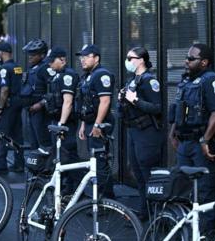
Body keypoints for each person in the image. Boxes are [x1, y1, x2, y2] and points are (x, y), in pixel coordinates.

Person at [168, 43, 215, 234]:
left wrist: (205, 140)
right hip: (185, 141)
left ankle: (207, 235)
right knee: (182, 186)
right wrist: (173, 131)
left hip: (202, 144)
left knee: (206, 190)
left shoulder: (212, 80)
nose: (186, 61)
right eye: (187, 57)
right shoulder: (186, 81)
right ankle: (186, 233)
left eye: (191, 58)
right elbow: (180, 109)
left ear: (204, 62)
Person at [118, 47, 163, 220]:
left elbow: (157, 107)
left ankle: (157, 215)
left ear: (141, 60)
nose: (128, 61)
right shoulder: (133, 80)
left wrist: (134, 100)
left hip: (147, 133)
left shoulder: (149, 80)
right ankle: (145, 212)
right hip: (134, 131)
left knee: (148, 174)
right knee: (138, 173)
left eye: (131, 58)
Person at [76, 44, 115, 198]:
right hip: (90, 123)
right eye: (81, 57)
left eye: (86, 56)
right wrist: (83, 124)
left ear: (96, 58)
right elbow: (86, 102)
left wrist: (98, 125)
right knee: (94, 160)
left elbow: (105, 101)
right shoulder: (86, 76)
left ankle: (105, 198)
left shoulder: (102, 74)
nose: (82, 60)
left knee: (100, 161)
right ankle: (97, 196)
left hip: (101, 124)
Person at [44, 46, 81, 194]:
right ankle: (69, 187)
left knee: (69, 156)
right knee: (63, 155)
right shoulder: (58, 75)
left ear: (61, 60)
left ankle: (78, 188)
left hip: (65, 124)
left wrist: (62, 124)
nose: (49, 64)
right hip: (57, 121)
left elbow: (68, 101)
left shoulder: (68, 75)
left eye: (52, 61)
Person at [0, 42, 24, 174]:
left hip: (8, 106)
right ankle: (19, 163)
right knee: (17, 135)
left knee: (2, 134)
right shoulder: (17, 67)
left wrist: (0, 107)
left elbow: (4, 89)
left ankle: (0, 165)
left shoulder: (4, 69)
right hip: (17, 105)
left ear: (2, 53)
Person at [20, 39, 51, 151]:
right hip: (31, 111)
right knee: (33, 142)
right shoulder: (32, 68)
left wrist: (41, 104)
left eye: (33, 54)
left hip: (41, 112)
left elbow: (53, 90)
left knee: (43, 142)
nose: (30, 57)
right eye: (29, 54)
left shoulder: (45, 68)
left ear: (42, 55)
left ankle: (47, 167)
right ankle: (37, 167)